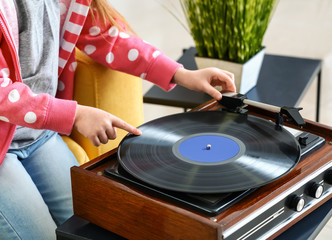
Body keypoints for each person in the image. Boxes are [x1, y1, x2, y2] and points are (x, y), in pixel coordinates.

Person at [0, 0, 235, 239]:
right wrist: (75, 114)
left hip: (40, 134)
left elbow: (106, 38)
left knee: (93, 222)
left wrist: (182, 74)